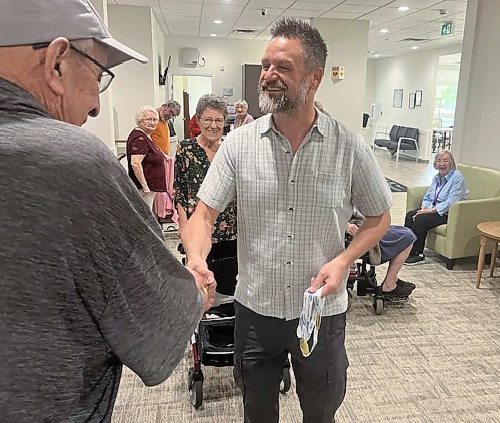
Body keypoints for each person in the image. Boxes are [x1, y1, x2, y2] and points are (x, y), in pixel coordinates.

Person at [0, 1, 215, 422]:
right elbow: (155, 326)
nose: (97, 105)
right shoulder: (69, 162)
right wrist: (196, 290)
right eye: (98, 76)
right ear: (57, 64)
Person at [181, 17, 392, 423]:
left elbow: (379, 216)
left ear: (314, 78)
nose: (269, 76)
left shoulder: (348, 147)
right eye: (265, 65)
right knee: (257, 412)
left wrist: (344, 260)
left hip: (321, 312)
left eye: (283, 68)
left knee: (320, 410)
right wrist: (196, 259)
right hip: (256, 310)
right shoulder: (240, 144)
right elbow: (203, 214)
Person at [174, 94, 237, 269]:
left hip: (229, 229)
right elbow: (180, 189)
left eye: (219, 120)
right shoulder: (186, 148)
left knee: (227, 283)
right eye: (208, 119)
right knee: (200, 278)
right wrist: (183, 224)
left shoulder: (230, 148)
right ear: (199, 120)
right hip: (197, 227)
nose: (213, 125)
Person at [404, 149, 468, 265]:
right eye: (439, 161)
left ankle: (418, 254)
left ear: (451, 163)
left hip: (448, 213)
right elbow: (428, 196)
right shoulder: (436, 177)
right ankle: (405, 250)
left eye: (445, 161)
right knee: (410, 215)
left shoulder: (457, 178)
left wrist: (429, 211)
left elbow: (451, 202)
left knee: (420, 219)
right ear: (435, 163)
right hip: (433, 209)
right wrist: (424, 208)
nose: (442, 164)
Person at [347, 210, 416, 297]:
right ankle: (389, 284)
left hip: (359, 223)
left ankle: (391, 281)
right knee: (408, 236)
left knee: (404, 230)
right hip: (357, 230)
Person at [127, 105, 167, 210]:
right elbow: (135, 163)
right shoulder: (139, 138)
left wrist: (163, 155)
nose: (152, 123)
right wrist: (145, 187)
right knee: (145, 216)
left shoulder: (145, 135)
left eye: (155, 120)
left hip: (148, 187)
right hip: (144, 189)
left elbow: (151, 151)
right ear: (140, 121)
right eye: (148, 119)